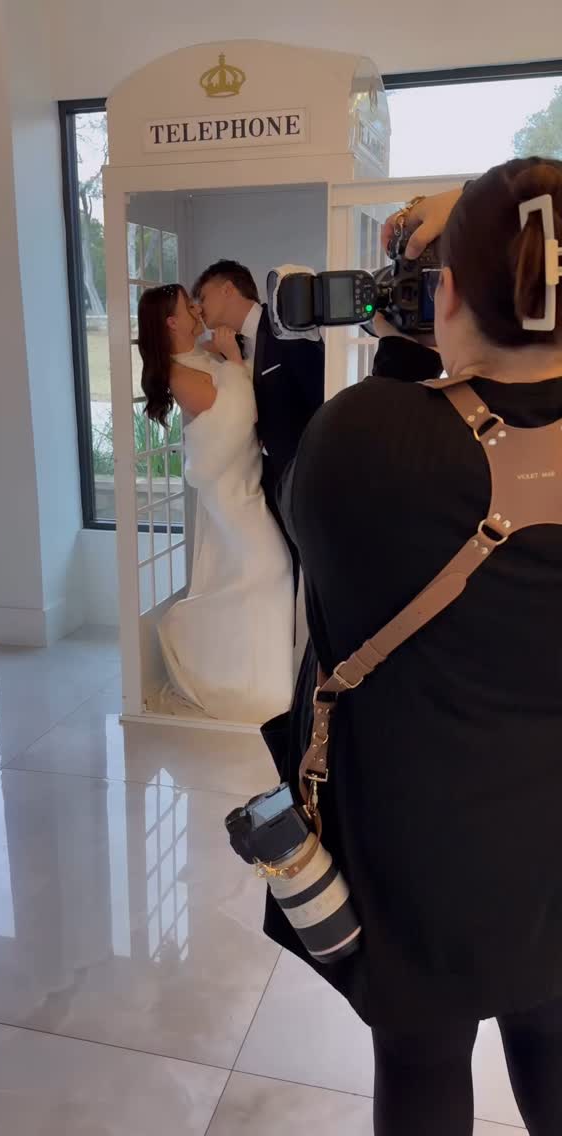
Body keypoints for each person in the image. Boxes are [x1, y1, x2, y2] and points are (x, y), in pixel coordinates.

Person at [262, 158, 562, 1136]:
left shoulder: (364, 443)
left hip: (422, 838)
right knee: (555, 1028)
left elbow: (307, 533)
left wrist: (400, 327)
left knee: (425, 1059)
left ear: (447, 291)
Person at [137, 283, 294, 724]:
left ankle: (261, 684)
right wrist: (237, 361)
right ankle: (199, 647)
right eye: (187, 306)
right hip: (228, 494)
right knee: (271, 569)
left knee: (258, 576)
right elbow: (236, 419)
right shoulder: (177, 373)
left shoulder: (201, 358)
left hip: (245, 484)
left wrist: (226, 359)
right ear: (172, 322)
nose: (195, 308)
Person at [192, 259, 325, 587]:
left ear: (228, 289)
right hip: (260, 476)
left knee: (302, 564)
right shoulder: (229, 346)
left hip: (302, 471)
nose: (198, 308)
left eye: (203, 297)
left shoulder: (287, 324)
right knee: (275, 567)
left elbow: (318, 392)